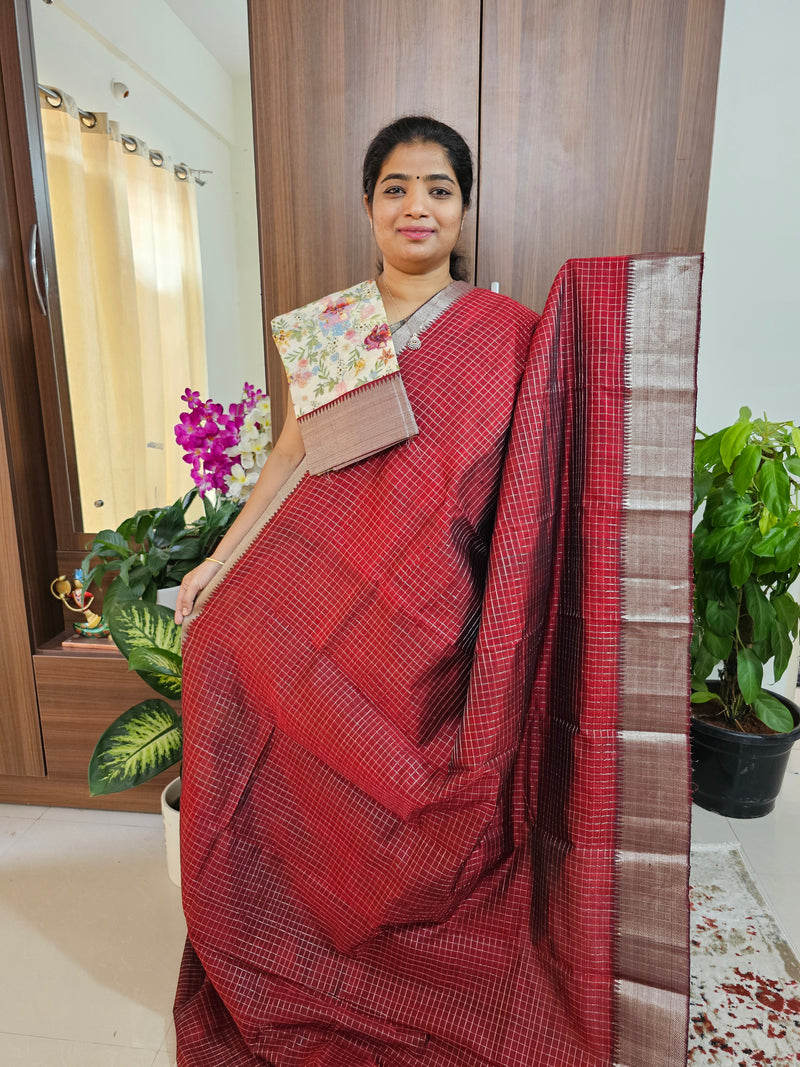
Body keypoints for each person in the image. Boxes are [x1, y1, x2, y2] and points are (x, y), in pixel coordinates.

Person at [172, 117, 698, 1066]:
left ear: (462, 208)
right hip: (328, 575)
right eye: (397, 188)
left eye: (440, 188)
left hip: (438, 602)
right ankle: (272, 922)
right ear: (370, 206)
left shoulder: (511, 333)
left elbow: (557, 443)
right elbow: (293, 457)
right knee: (221, 650)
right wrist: (221, 558)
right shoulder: (337, 325)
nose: (418, 206)